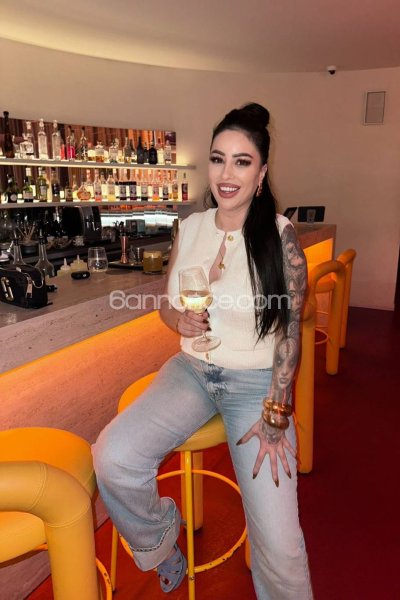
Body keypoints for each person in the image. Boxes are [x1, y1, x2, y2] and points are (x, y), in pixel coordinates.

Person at [93, 102, 313, 599]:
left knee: (280, 547)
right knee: (112, 457)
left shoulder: (280, 236)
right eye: (218, 159)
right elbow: (166, 307)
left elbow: (290, 331)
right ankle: (160, 540)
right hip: (192, 370)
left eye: (241, 161)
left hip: (256, 384)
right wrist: (180, 320)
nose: (226, 174)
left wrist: (277, 409)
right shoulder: (189, 227)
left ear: (261, 173)